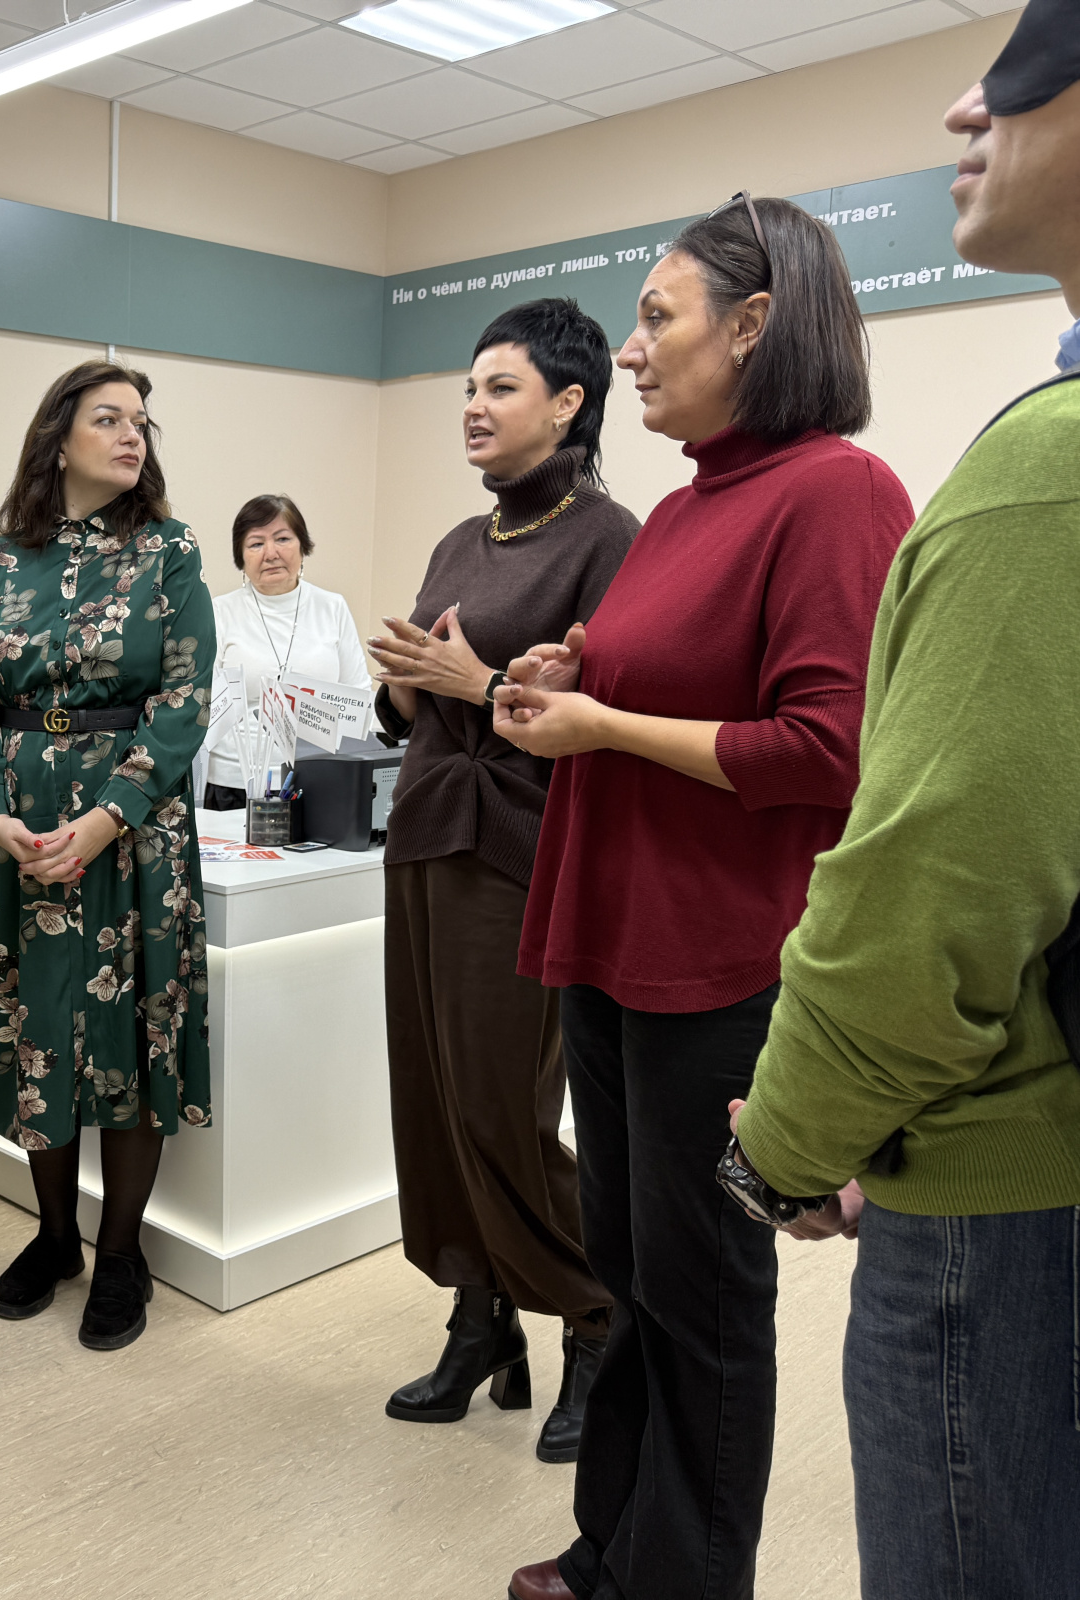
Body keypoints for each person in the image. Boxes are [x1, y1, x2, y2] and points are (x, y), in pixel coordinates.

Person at [492, 199, 914, 1600]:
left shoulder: (838, 492)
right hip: (616, 942)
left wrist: (605, 724)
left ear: (754, 325)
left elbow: (829, 748)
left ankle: (683, 1577)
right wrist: (571, 677)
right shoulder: (682, 506)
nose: (629, 350)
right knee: (628, 1273)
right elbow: (665, 684)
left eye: (656, 317)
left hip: (717, 960)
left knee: (702, 1293)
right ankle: (613, 1542)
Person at [730, 18, 1080, 1596]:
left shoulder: (1038, 480)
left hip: (1009, 1185)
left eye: (1023, 65)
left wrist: (783, 1148)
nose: (963, 106)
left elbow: (928, 894)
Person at [366, 300, 636, 1462]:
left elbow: (604, 722)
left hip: (523, 847)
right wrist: (407, 685)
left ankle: (595, 1315)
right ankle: (480, 1320)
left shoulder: (611, 540)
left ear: (569, 404)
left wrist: (471, 683)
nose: (473, 407)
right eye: (468, 389)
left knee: (501, 1110)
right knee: (431, 1102)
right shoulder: (457, 541)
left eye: (501, 387)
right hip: (427, 828)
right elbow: (410, 706)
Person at [0, 358, 215, 1352]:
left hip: (131, 832)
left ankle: (120, 1253)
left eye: (141, 421)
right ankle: (54, 1235)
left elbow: (184, 702)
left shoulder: (170, 551)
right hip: (19, 831)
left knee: (129, 1037)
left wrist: (106, 819)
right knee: (37, 1030)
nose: (132, 434)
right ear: (58, 439)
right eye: (109, 418)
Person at [199, 494, 370, 809]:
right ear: (240, 557)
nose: (271, 553)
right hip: (234, 782)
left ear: (303, 546)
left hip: (318, 778)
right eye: (256, 543)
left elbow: (358, 694)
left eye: (282, 539)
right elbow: (204, 701)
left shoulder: (332, 607)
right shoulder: (220, 611)